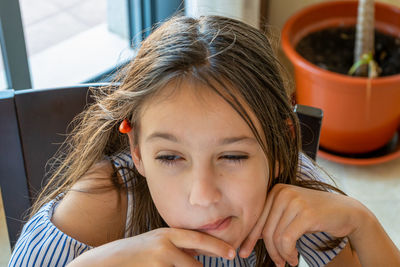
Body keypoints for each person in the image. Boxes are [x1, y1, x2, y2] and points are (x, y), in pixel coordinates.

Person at [8, 15, 400, 267]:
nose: (203, 195)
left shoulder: (293, 199)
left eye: (231, 156)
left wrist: (362, 223)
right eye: (170, 157)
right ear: (137, 152)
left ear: (279, 148)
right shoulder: (101, 205)